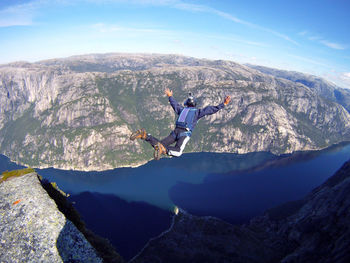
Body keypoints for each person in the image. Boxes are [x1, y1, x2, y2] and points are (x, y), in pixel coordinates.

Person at [130, 88, 231, 160]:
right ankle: (162, 149)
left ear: (186, 104)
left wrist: (170, 96)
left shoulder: (182, 110)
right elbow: (210, 110)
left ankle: (145, 135)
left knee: (159, 144)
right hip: (184, 133)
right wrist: (224, 104)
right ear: (195, 105)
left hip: (175, 132)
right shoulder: (197, 112)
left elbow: (174, 105)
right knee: (177, 152)